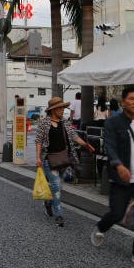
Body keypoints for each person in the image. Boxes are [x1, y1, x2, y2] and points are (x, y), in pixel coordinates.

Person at [91, 86, 134, 268]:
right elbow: (110, 146)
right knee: (117, 213)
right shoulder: (113, 123)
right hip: (122, 178)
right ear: (123, 102)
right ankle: (101, 227)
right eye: (131, 98)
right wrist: (119, 165)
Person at [35, 97, 95, 227]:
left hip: (64, 159)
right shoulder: (44, 123)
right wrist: (38, 158)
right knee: (56, 186)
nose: (62, 110)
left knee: (58, 187)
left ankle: (48, 203)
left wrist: (86, 145)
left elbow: (74, 137)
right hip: (49, 160)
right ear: (52, 110)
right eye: (59, 108)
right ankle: (59, 215)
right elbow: (38, 141)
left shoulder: (65, 123)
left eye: (63, 107)